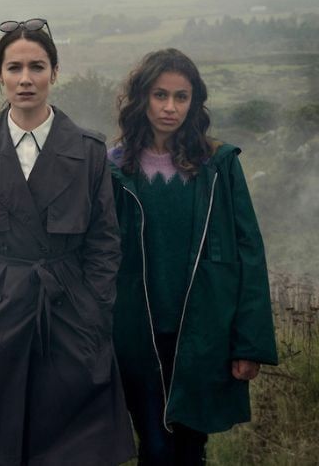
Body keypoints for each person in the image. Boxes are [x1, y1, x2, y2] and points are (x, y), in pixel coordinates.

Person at [0, 18, 135, 466]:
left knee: (66, 451)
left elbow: (104, 242)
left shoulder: (89, 151)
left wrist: (94, 312)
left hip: (66, 312)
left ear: (54, 73)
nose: (26, 79)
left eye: (37, 67)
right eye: (14, 67)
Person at [108, 48, 279, 465]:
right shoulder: (112, 168)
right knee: (154, 445)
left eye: (181, 97)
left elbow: (248, 252)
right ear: (141, 98)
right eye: (160, 95)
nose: (170, 107)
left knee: (190, 449)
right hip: (136, 336)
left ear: (194, 102)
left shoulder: (218, 166)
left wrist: (248, 344)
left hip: (203, 336)